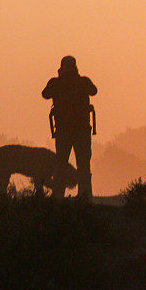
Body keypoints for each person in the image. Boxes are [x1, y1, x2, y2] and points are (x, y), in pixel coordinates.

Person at [42, 56, 97, 199]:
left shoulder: (56, 83)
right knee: (83, 164)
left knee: (61, 165)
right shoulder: (83, 82)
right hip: (81, 130)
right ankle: (85, 196)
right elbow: (94, 91)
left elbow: (45, 94)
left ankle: (58, 197)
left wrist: (60, 78)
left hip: (64, 131)